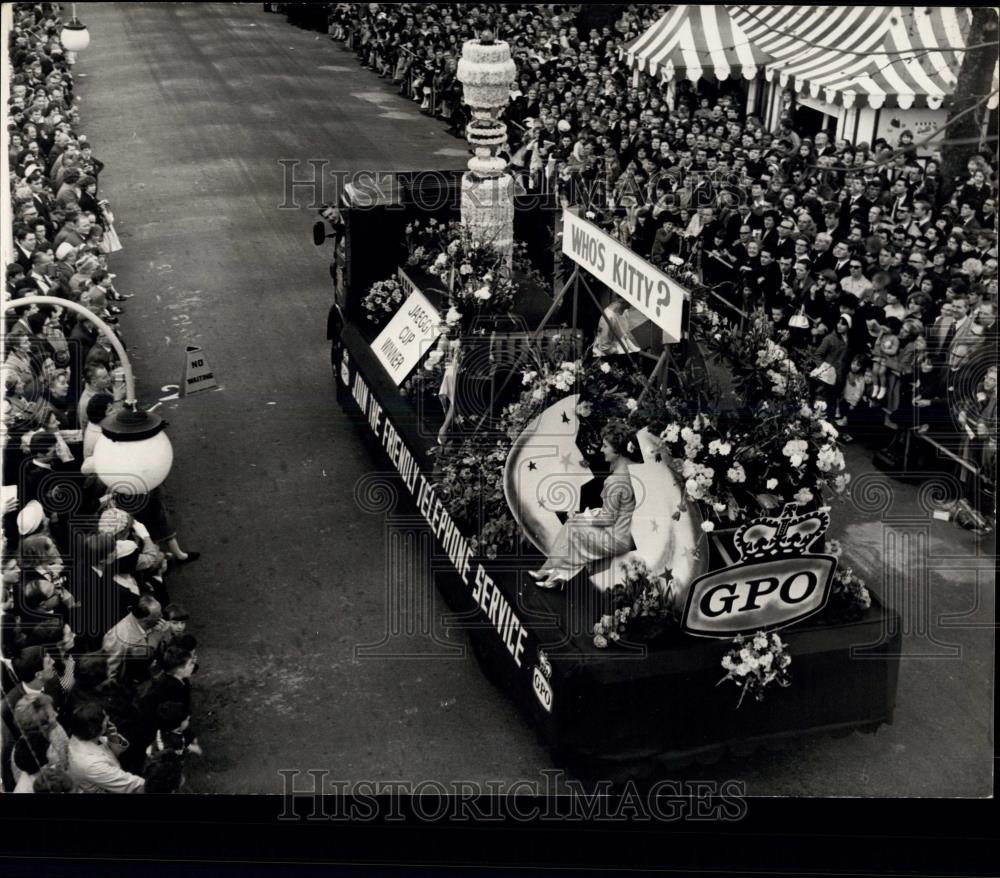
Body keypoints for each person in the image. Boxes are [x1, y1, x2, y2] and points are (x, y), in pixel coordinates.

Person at [529, 421, 638, 588]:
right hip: (622, 534)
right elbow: (619, 511)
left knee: (574, 525)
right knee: (575, 524)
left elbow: (607, 519)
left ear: (617, 450)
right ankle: (554, 574)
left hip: (616, 539)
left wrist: (585, 516)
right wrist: (587, 515)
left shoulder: (616, 480)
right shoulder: (630, 471)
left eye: (605, 446)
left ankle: (553, 572)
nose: (602, 450)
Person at [66, 702, 145, 793]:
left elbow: (108, 756)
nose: (108, 720)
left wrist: (113, 740)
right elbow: (131, 785)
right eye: (105, 720)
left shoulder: (80, 736)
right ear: (96, 729)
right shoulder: (91, 764)